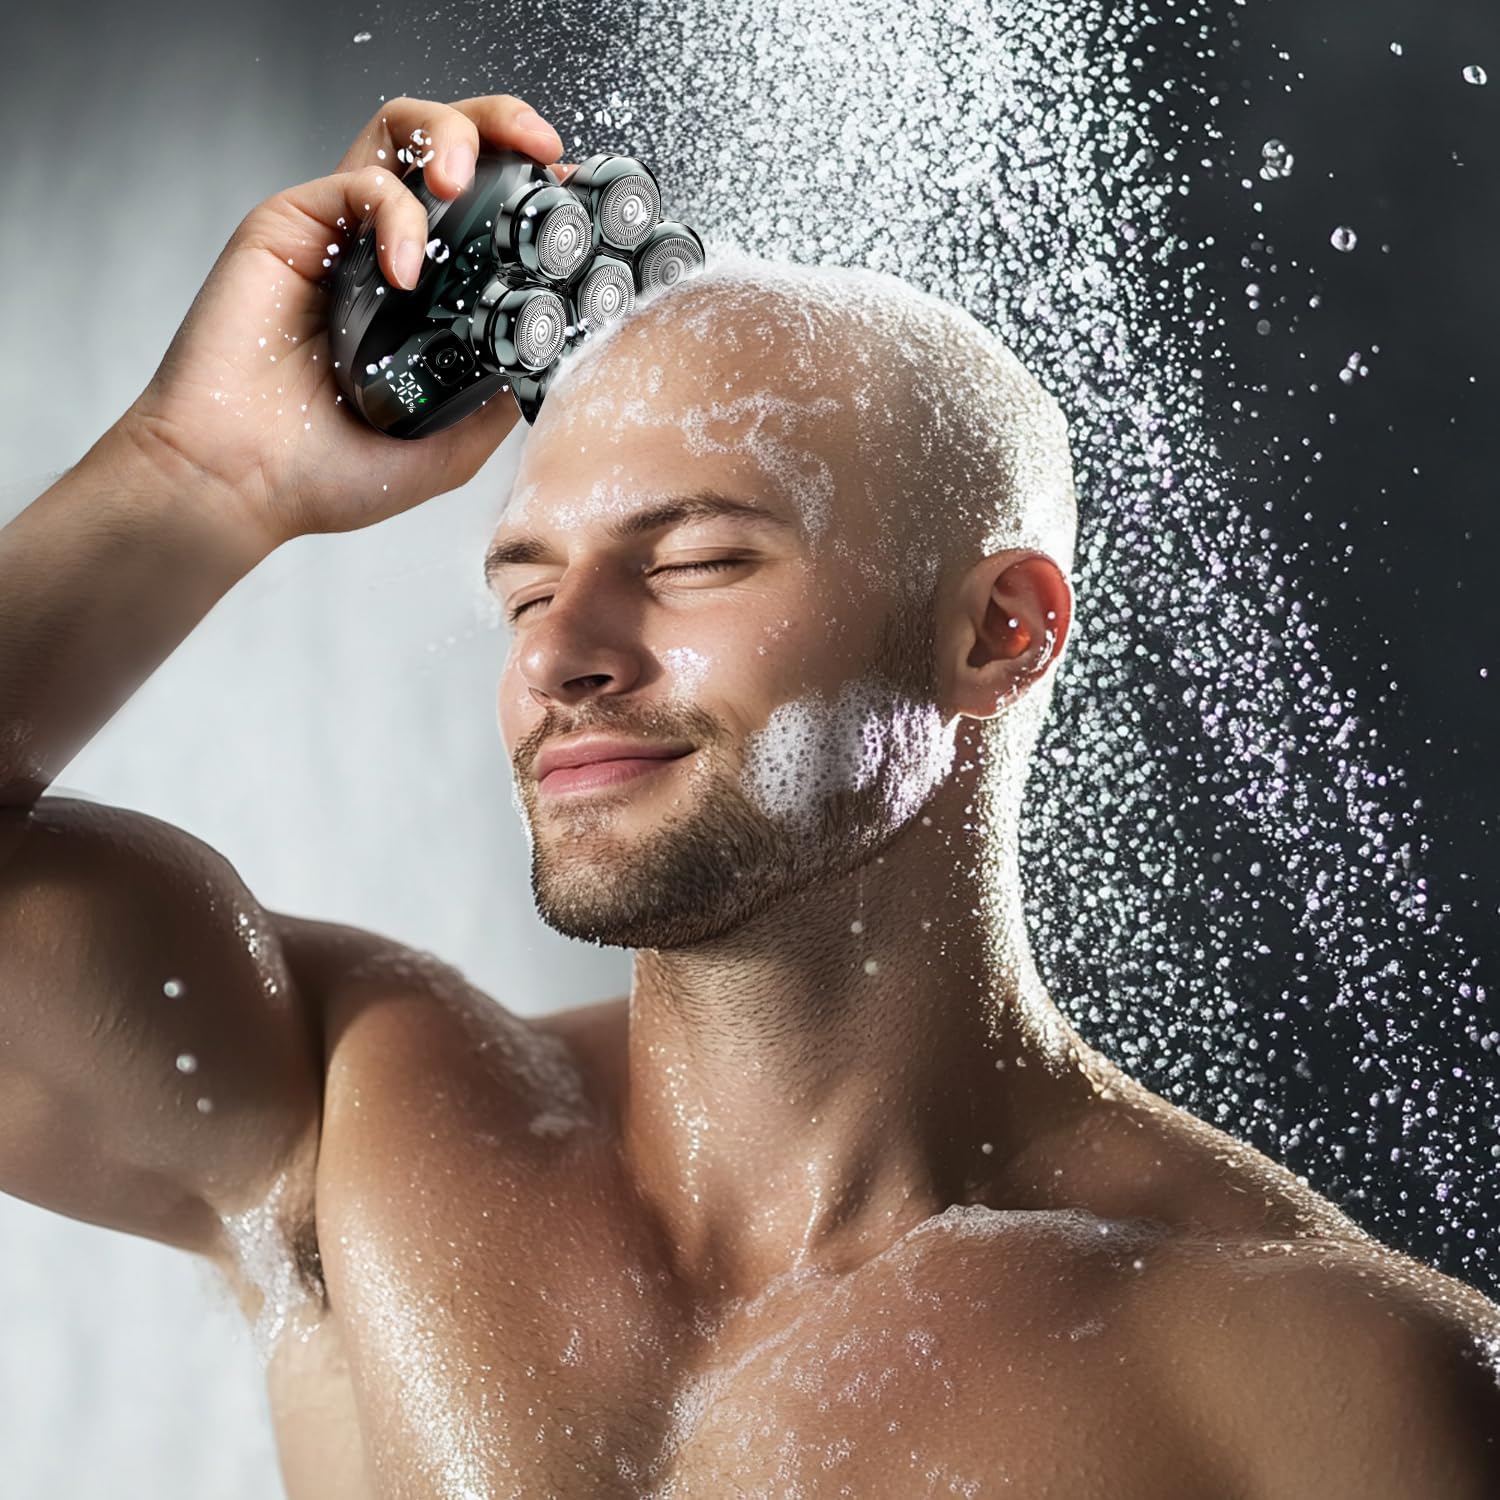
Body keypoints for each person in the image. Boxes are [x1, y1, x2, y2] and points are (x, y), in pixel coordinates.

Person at [0, 91, 1495, 1500]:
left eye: (697, 560)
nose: (564, 657)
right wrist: (197, 475)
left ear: (997, 634)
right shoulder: (350, 1130)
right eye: (524, 594)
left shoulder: (1323, 1384)